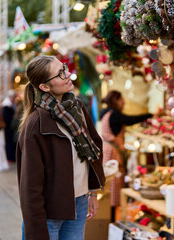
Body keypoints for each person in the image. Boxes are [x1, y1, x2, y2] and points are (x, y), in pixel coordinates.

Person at [16, 55, 105, 240]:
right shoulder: (35, 125)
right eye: (60, 74)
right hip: (49, 213)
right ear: (44, 87)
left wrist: (93, 193)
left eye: (64, 68)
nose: (67, 75)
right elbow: (29, 188)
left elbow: (94, 146)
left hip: (79, 204)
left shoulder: (77, 106)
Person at [100, 90, 152, 222]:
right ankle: (111, 218)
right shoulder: (115, 114)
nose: (123, 102)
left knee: (108, 182)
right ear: (116, 100)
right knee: (114, 183)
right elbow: (130, 120)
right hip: (112, 152)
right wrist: (150, 115)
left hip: (106, 150)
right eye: (121, 99)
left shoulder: (105, 112)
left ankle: (107, 215)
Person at [1, 89, 16, 162]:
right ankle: (9, 157)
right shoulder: (6, 105)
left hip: (10, 127)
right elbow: (6, 117)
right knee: (8, 142)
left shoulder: (10, 104)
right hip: (8, 128)